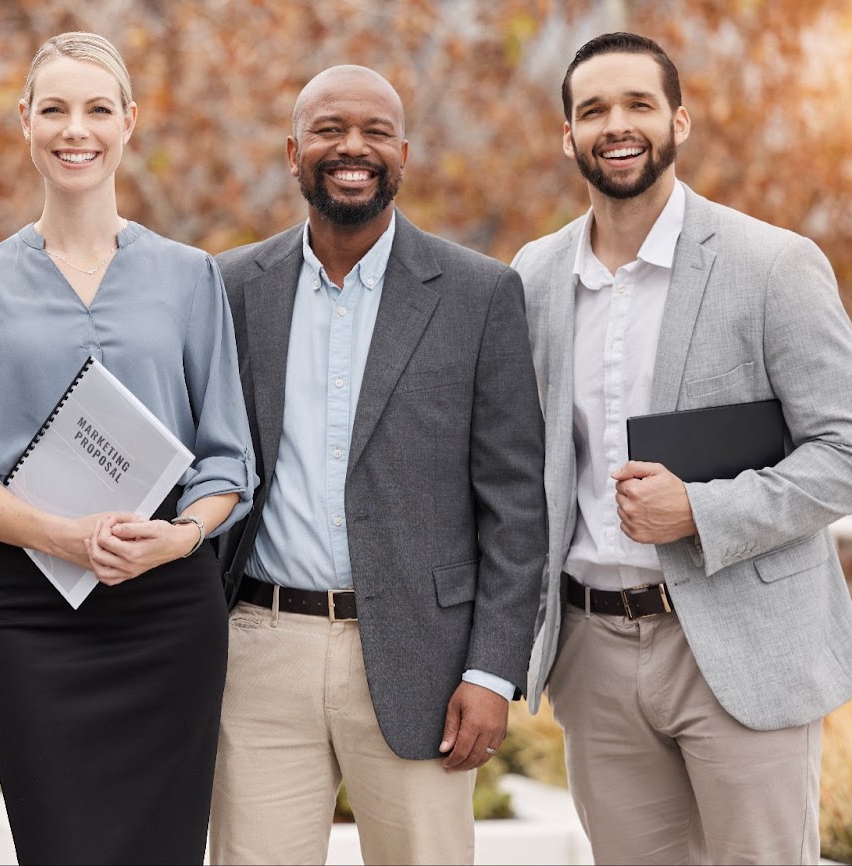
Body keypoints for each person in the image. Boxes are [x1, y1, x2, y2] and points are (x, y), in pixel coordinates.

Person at [513, 32, 852, 865]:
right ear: (568, 136)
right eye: (593, 110)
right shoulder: (535, 276)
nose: (616, 125)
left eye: (638, 105)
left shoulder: (772, 264)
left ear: (680, 121)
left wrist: (702, 508)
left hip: (740, 642)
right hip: (592, 652)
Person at [0, 31, 256, 865]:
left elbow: (227, 460)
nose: (78, 129)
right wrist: (61, 538)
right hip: (33, 615)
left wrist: (179, 538)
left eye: (98, 108)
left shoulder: (188, 276)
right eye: (56, 109)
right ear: (24, 121)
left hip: (168, 610)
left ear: (130, 121)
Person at [209, 65, 547, 866]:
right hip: (258, 649)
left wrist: (493, 672)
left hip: (424, 662)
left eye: (373, 132)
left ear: (405, 152)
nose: (350, 148)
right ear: (294, 153)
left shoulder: (481, 294)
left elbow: (516, 508)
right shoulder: (228, 288)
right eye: (328, 130)